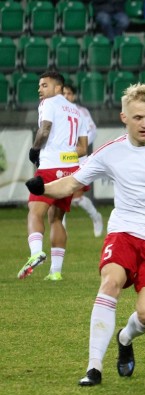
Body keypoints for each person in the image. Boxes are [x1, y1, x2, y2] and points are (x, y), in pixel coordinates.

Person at [25, 83, 145, 386]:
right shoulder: (109, 152)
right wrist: (43, 187)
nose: (144, 123)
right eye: (138, 117)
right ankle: (93, 368)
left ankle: (125, 339)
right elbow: (72, 184)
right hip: (123, 233)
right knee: (110, 283)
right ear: (124, 118)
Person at [17, 71, 88, 282]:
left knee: (34, 211)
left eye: (44, 85)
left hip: (50, 168)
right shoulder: (77, 111)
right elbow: (83, 148)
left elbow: (45, 129)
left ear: (58, 88)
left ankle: (36, 252)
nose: (40, 89)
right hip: (71, 169)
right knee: (57, 218)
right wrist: (64, 157)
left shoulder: (49, 103)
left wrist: (35, 149)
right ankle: (55, 272)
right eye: (39, 86)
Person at [62, 84, 103, 238]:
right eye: (63, 93)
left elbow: (92, 130)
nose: (66, 96)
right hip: (61, 158)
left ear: (74, 96)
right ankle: (61, 230)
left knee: (77, 198)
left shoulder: (82, 112)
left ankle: (96, 217)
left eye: (69, 93)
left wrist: (80, 145)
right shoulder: (55, 111)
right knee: (61, 195)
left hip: (77, 156)